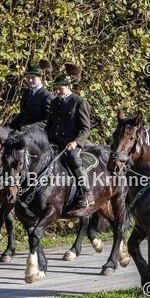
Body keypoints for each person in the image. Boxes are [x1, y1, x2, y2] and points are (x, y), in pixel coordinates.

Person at [45, 64, 93, 212]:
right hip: (54, 142)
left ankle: (86, 192)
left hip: (72, 143)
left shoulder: (79, 102)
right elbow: (50, 125)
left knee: (73, 158)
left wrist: (75, 142)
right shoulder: (54, 102)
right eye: (56, 88)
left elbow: (85, 129)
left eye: (60, 88)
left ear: (68, 86)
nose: (57, 91)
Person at [9, 59, 53, 131]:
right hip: (20, 130)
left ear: (40, 78)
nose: (30, 80)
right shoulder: (26, 92)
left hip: (35, 134)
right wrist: (10, 127)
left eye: (33, 78)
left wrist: (29, 128)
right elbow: (22, 114)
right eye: (28, 78)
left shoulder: (47, 96)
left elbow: (48, 121)